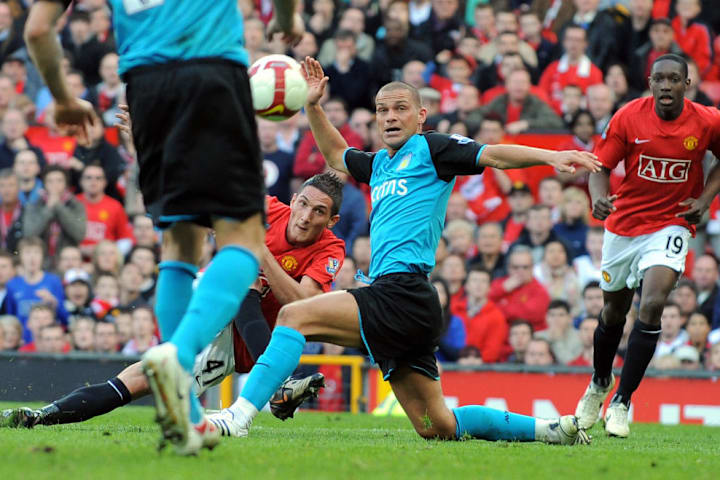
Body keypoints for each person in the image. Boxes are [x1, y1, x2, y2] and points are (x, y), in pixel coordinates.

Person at [210, 58, 599, 446]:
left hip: (401, 292)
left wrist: (550, 157)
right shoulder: (379, 164)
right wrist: (312, 106)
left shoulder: (432, 148)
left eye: (400, 109)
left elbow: (492, 154)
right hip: (407, 307)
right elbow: (336, 155)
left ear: (420, 115)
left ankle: (239, 416)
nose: (390, 117)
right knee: (438, 425)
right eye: (382, 110)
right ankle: (551, 430)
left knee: (294, 315)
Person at [1, 176, 345, 440]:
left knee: (146, 377)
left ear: (331, 220)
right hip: (214, 306)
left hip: (246, 348)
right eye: (302, 203)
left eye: (318, 212)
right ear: (293, 200)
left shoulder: (331, 248)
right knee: (137, 377)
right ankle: (41, 415)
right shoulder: (267, 210)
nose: (305, 216)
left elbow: (303, 305)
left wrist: (262, 254)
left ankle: (274, 386)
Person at [574, 54, 720, 439]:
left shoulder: (707, 120)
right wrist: (599, 199)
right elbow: (599, 167)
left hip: (671, 223)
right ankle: (600, 382)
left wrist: (705, 201)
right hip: (624, 226)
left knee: (653, 302)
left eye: (675, 79)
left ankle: (622, 401)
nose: (667, 86)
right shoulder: (628, 117)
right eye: (660, 80)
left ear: (687, 84)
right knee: (613, 313)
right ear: (650, 83)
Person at [23, 166, 87, 260]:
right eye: (50, 181)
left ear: (66, 184)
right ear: (44, 184)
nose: (55, 184)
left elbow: (79, 234)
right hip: (41, 260)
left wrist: (58, 206)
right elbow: (29, 234)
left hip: (67, 259)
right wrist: (48, 209)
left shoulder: (76, 205)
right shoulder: (34, 205)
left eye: (59, 180)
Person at [453, 266, 507, 363]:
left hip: (482, 369)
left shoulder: (497, 316)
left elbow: (493, 349)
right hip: (453, 365)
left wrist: (475, 361)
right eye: (475, 280)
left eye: (483, 281)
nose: (479, 285)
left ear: (490, 287)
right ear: (466, 286)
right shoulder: (454, 310)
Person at [536, 300, 582, 365]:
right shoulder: (537, 336)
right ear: (546, 318)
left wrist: (557, 341)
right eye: (552, 315)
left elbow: (573, 365)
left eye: (561, 315)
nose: (556, 319)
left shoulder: (579, 337)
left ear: (569, 318)